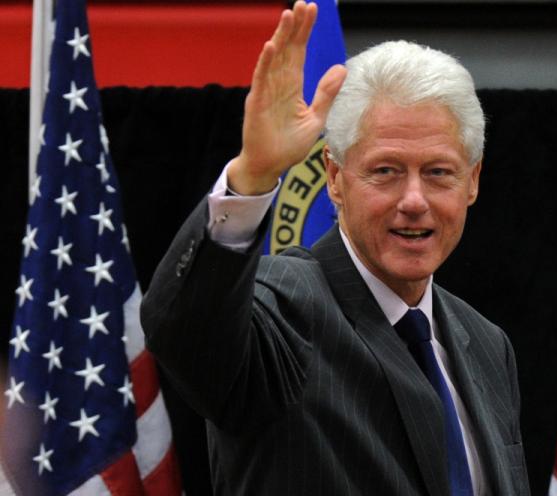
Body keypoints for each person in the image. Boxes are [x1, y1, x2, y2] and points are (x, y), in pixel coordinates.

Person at [141, 2, 529, 495]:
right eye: (386, 171)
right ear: (335, 177)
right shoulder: (277, 308)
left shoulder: (488, 346)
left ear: (471, 181)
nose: (414, 201)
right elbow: (185, 330)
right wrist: (254, 177)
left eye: (438, 173)